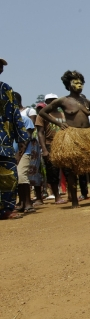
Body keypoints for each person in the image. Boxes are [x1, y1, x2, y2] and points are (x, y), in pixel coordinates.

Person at [39, 70, 90, 208]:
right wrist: (59, 123)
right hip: (72, 135)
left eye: (80, 83)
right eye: (75, 82)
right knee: (72, 169)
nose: (79, 85)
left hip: (88, 135)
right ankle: (74, 201)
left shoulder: (87, 101)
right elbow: (43, 112)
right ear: (68, 84)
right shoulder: (63, 100)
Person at [0, 58, 30, 220]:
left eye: (1, 66)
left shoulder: (6, 89)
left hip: (4, 142)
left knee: (10, 177)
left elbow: (15, 115)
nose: (0, 68)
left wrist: (22, 139)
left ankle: (6, 209)